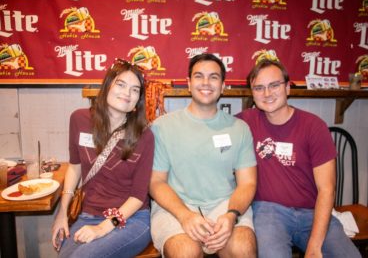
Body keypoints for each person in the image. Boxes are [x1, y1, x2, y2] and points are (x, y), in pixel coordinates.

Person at [236, 59, 361, 258]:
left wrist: (314, 245)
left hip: (312, 212)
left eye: (274, 85)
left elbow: (327, 189)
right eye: (259, 88)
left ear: (287, 88)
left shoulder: (313, 126)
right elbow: (211, 125)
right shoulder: (244, 122)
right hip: (269, 211)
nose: (267, 94)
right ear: (252, 93)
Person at [149, 53, 257, 258]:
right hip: (176, 206)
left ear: (223, 85)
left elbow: (248, 183)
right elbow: (156, 182)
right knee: (186, 252)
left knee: (243, 248)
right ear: (189, 83)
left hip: (225, 205)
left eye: (214, 77)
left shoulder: (240, 128)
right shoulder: (163, 126)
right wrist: (185, 216)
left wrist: (232, 216)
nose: (206, 82)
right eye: (199, 76)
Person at [51, 58, 155, 258]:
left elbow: (138, 196)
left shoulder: (144, 136)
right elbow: (75, 166)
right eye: (121, 84)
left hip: (131, 219)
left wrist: (102, 228)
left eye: (135, 90)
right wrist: (62, 213)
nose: (127, 93)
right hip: (89, 214)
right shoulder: (79, 119)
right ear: (107, 86)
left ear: (137, 101)